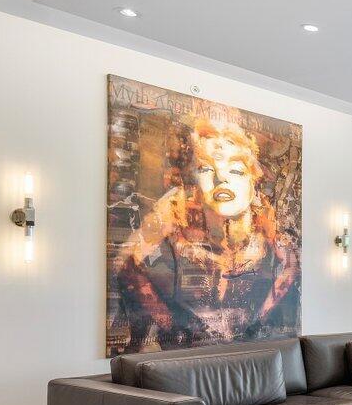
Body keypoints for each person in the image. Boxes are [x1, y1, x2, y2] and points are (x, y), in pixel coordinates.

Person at [114, 117, 299, 352]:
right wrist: (168, 322)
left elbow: (291, 266)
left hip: (247, 347)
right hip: (187, 352)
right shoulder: (177, 205)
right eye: (206, 168)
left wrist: (259, 319)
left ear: (254, 181)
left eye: (236, 170)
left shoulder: (264, 215)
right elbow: (126, 262)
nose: (221, 178)